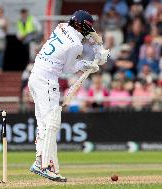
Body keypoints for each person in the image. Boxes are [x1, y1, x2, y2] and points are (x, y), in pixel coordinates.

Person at [28, 10, 109, 182]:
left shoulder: (62, 27)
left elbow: (89, 34)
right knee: (51, 123)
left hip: (35, 77)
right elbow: (68, 69)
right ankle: (44, 165)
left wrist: (99, 47)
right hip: (47, 81)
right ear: (83, 26)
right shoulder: (75, 45)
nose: (90, 32)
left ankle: (42, 162)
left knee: (44, 124)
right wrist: (89, 64)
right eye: (88, 28)